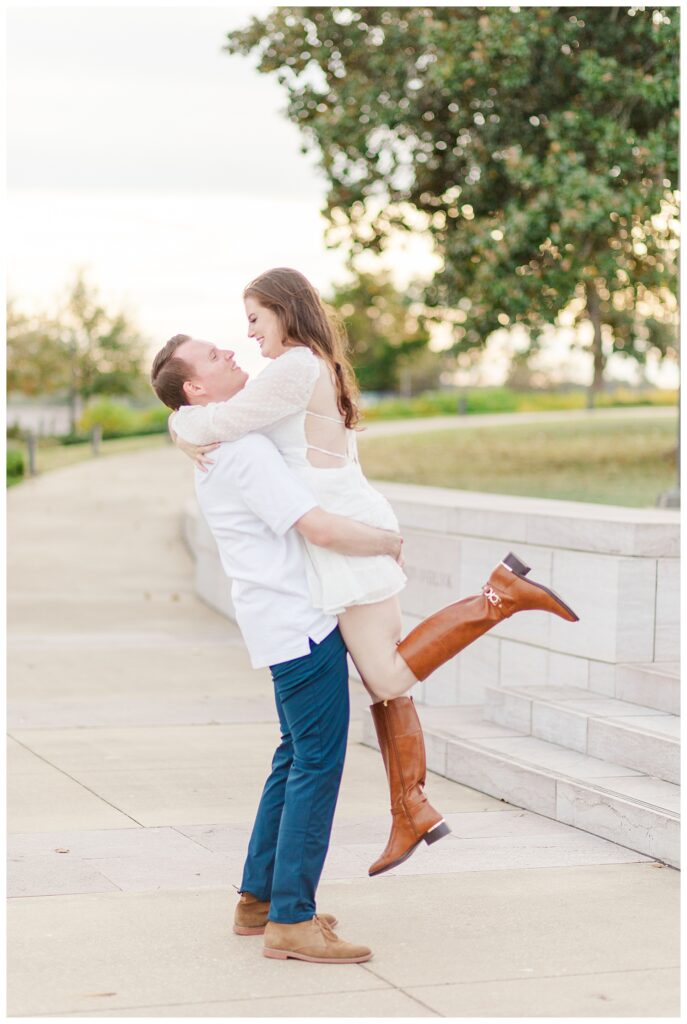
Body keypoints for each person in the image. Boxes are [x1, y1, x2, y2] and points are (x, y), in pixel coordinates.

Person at [158, 268, 579, 880]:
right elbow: (213, 416)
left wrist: (178, 424)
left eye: (254, 319)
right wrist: (180, 422)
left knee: (385, 674)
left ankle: (499, 595)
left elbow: (216, 422)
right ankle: (410, 811)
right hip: (341, 525)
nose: (246, 334)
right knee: (389, 683)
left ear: (284, 310)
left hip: (346, 530)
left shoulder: (295, 367)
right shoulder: (304, 365)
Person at [152, 350, 410, 962]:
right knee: (316, 764)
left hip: (280, 623)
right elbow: (317, 527)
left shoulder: (223, 440)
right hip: (302, 623)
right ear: (196, 386)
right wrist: (387, 541)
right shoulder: (241, 451)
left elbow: (193, 422)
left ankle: (260, 900)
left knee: (294, 756)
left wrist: (179, 424)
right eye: (213, 355)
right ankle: (293, 920)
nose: (230, 351)